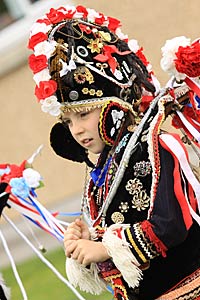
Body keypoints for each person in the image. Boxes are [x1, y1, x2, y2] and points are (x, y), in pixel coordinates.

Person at [28, 4, 200, 299]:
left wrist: (104, 246)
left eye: (84, 115)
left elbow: (171, 224)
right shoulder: (105, 168)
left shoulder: (158, 147)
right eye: (68, 121)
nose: (76, 130)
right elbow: (119, 226)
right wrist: (89, 240)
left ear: (115, 107)